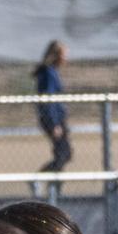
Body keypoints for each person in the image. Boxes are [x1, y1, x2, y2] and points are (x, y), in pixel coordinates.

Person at [34, 41, 71, 173]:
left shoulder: (52, 72)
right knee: (63, 155)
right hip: (53, 120)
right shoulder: (48, 73)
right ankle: (39, 179)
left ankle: (54, 186)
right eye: (64, 55)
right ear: (56, 56)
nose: (66, 58)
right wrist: (55, 124)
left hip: (58, 119)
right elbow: (48, 100)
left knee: (65, 154)